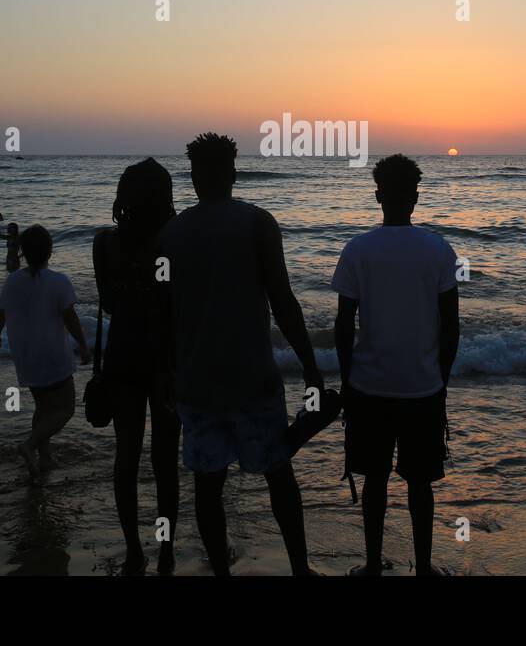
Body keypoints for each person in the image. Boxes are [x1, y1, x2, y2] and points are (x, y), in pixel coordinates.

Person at [157, 133, 323, 576]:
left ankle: (221, 571)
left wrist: (167, 373)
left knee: (208, 485)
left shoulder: (172, 233)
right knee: (278, 476)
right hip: (252, 378)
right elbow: (283, 301)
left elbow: (165, 312)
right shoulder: (256, 223)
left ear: (193, 175)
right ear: (233, 171)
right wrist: (311, 366)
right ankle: (300, 569)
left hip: (196, 381)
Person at [332, 155, 460, 576]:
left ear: (378, 196)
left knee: (374, 480)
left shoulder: (357, 249)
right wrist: (440, 380)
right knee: (420, 483)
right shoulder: (439, 249)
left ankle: (372, 566)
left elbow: (342, 326)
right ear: (416, 197)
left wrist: (348, 380)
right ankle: (423, 568)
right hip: (422, 388)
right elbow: (451, 327)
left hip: (369, 386)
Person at [94, 158, 182, 575]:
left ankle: (133, 550)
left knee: (125, 457)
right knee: (165, 462)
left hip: (123, 356)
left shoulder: (103, 243)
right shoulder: (174, 242)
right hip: (166, 359)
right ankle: (166, 549)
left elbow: (109, 303)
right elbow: (178, 303)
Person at [0, 225, 89, 483]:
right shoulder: (59, 281)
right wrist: (84, 344)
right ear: (50, 251)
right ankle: (31, 444)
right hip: (53, 354)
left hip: (25, 355)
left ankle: (44, 457)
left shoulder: (13, 281)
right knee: (65, 408)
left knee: (43, 408)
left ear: (22, 252)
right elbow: (70, 318)